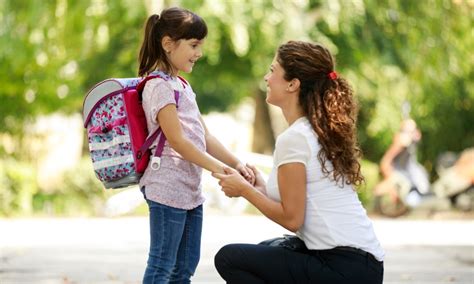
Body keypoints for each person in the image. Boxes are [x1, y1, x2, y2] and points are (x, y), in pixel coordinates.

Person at [212, 41, 384, 283]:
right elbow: (302, 201)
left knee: (230, 258)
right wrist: (257, 187)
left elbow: (292, 220)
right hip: (363, 267)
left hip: (344, 269)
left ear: (293, 84)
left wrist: (245, 191)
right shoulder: (315, 131)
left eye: (272, 71)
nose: (266, 78)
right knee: (268, 247)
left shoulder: (295, 138)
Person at [137, 7, 254, 284]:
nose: (199, 52)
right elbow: (178, 141)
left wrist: (236, 164)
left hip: (189, 190)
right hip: (166, 189)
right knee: (162, 266)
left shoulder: (182, 85)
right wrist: (221, 170)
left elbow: (206, 137)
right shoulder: (158, 86)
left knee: (184, 268)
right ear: (168, 44)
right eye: (193, 45)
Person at [374, 118, 430, 208]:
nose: (415, 132)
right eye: (411, 131)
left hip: (407, 174)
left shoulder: (410, 143)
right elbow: (386, 161)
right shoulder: (401, 142)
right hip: (398, 174)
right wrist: (390, 180)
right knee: (411, 198)